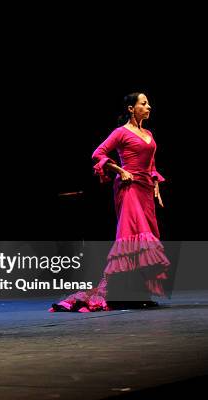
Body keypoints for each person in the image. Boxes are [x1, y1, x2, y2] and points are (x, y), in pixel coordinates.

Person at [51, 92, 170, 312]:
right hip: (128, 188)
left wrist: (156, 186)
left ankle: (139, 294)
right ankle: (123, 294)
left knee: (146, 240)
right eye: (144, 103)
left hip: (144, 189)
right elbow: (98, 154)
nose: (149, 106)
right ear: (131, 108)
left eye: (148, 103)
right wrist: (119, 169)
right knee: (133, 236)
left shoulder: (148, 134)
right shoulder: (120, 132)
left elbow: (152, 165)